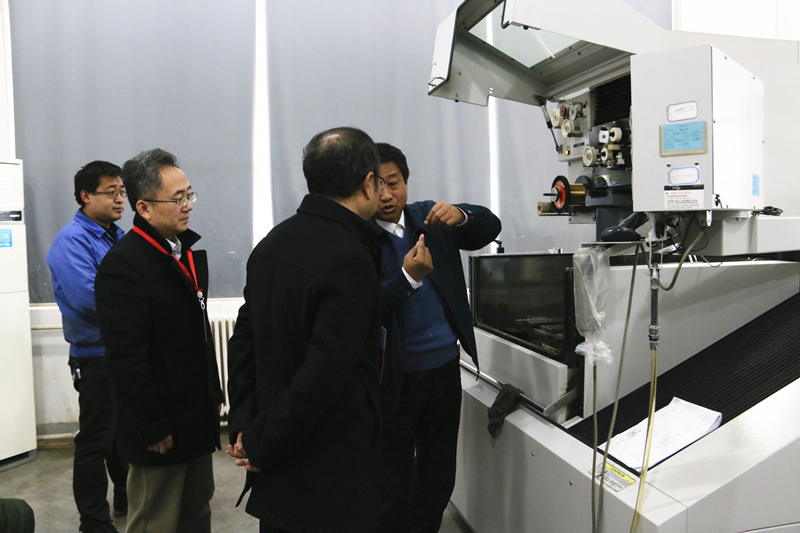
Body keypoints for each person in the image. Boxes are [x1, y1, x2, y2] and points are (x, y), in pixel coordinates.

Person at [226, 127, 385, 533]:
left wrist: (244, 425)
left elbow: (244, 341)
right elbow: (322, 375)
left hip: (277, 454)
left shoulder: (273, 242)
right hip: (324, 465)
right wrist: (262, 444)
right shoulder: (348, 257)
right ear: (368, 183)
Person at [372, 143, 501, 533]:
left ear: (406, 181)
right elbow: (366, 308)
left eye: (393, 183)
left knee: (438, 474)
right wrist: (407, 278)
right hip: (393, 379)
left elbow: (490, 226)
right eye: (377, 185)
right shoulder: (360, 238)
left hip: (444, 370)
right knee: (389, 480)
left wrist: (462, 214)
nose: (386, 195)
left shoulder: (429, 219)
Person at [95, 149, 223, 533]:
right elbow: (126, 356)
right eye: (178, 198)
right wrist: (151, 425)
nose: (188, 205)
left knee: (196, 512)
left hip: (194, 415)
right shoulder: (125, 264)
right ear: (144, 208)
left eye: (189, 195)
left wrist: (213, 393)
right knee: (156, 520)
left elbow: (197, 335)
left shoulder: (180, 251)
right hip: (160, 426)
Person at [46, 160, 128, 533]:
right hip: (95, 356)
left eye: (122, 191)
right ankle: (93, 521)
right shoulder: (72, 240)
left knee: (123, 435)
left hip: (121, 350)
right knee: (96, 440)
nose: (120, 199)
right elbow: (88, 300)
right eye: (111, 192)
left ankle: (125, 497)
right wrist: (139, 309)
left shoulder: (115, 235)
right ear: (85, 196)